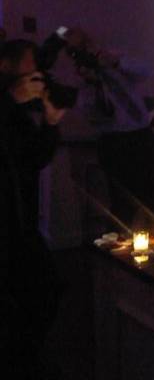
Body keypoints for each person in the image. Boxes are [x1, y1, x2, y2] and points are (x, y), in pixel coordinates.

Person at [0, 39, 66, 379]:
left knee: (46, 290)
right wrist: (12, 101)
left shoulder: (21, 110)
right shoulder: (8, 104)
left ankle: (24, 358)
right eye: (30, 67)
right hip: (7, 224)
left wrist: (52, 123)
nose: (36, 75)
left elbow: (35, 158)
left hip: (20, 223)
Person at [66, 28, 154, 235]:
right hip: (114, 143)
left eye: (86, 45)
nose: (85, 51)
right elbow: (95, 115)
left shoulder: (115, 61)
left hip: (141, 136)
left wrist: (114, 63)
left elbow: (145, 71)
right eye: (76, 50)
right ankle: (119, 255)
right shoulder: (82, 81)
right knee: (122, 205)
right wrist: (93, 84)